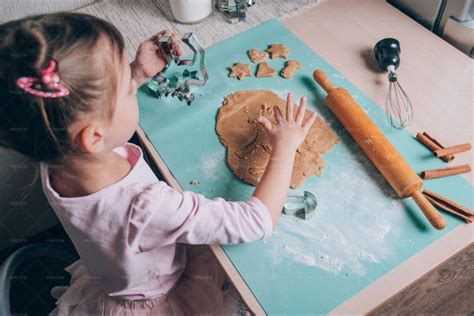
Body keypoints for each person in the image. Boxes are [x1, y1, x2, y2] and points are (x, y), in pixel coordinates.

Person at [0, 12, 317, 315]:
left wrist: (136, 73)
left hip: (119, 277)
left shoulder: (53, 152)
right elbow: (256, 222)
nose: (131, 89)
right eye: (126, 89)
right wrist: (285, 146)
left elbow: (82, 122)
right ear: (94, 136)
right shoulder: (145, 206)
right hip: (163, 295)